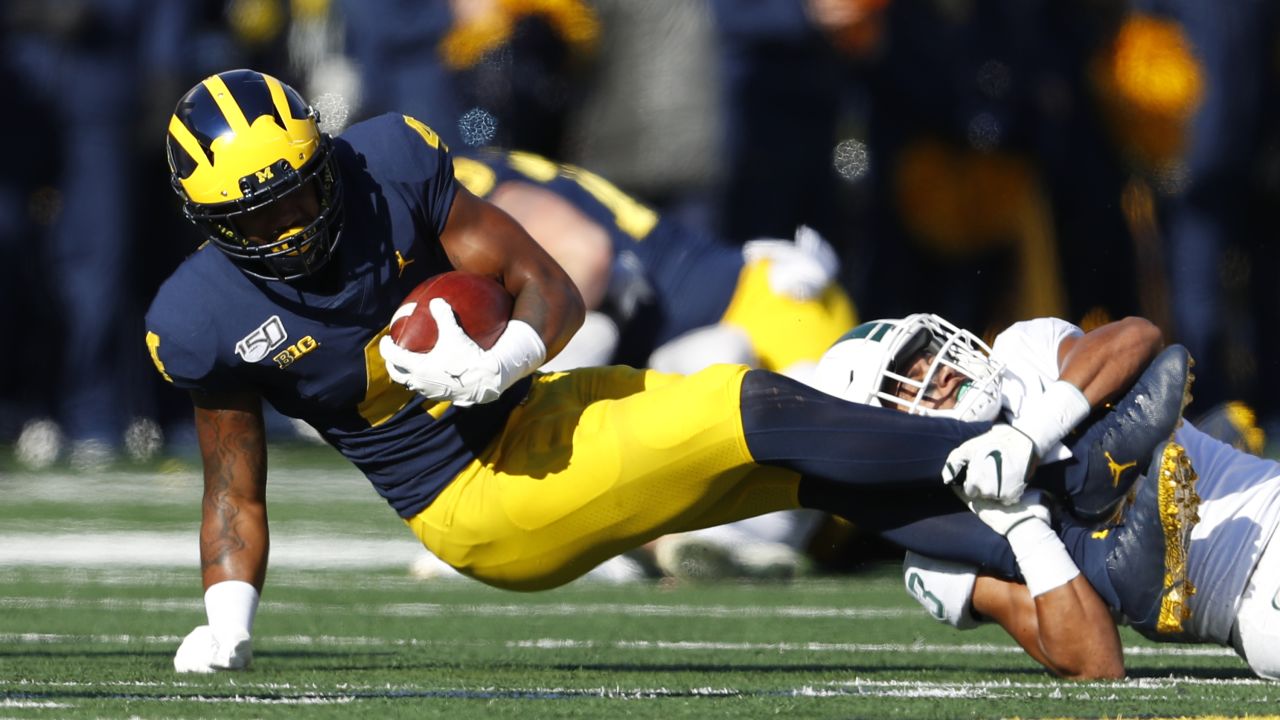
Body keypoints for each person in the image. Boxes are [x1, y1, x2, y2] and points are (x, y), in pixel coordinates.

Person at [145, 69, 1111, 673]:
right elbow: (235, 489)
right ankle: (1017, 450)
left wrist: (511, 354)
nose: (298, 222)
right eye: (262, 218)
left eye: (303, 189)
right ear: (215, 226)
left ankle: (1063, 560)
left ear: (326, 155)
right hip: (478, 502)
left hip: (538, 408)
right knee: (757, 405)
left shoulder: (386, 162)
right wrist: (229, 622)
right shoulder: (198, 320)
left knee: (807, 470)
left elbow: (547, 283)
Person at [814, 313, 1280, 680]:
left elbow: (1139, 338)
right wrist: (1019, 524)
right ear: (881, 434)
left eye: (925, 349)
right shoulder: (936, 540)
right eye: (900, 379)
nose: (934, 369)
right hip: (1250, 597)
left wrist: (1028, 439)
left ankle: (1089, 478)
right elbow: (1093, 661)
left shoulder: (1019, 353)